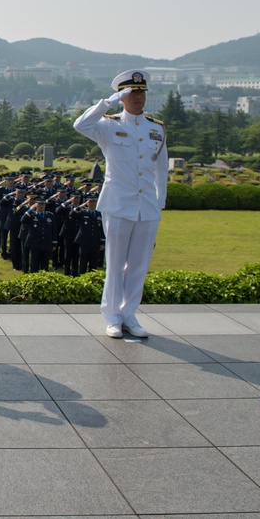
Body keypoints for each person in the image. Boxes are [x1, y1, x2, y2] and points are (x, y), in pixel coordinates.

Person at [73, 69, 168, 339]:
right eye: (132, 92)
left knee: (139, 265)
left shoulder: (156, 128)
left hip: (147, 206)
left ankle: (130, 315)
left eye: (141, 92)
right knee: (115, 263)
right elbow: (80, 125)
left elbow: (162, 171)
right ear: (123, 95)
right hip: (117, 204)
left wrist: (158, 205)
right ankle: (112, 316)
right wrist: (108, 102)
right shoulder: (109, 124)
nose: (138, 96)